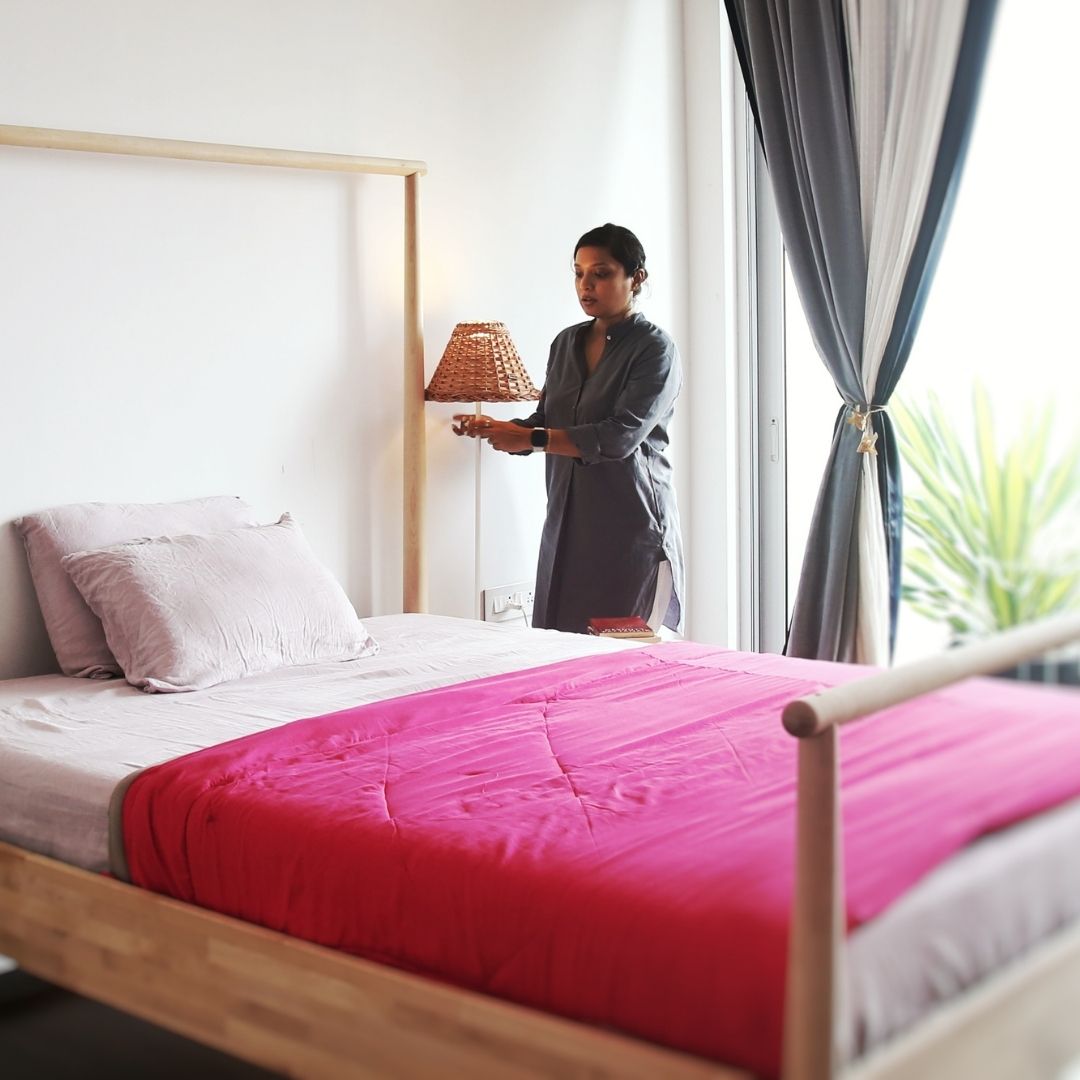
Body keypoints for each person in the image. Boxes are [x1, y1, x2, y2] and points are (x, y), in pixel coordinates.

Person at [453, 223, 684, 636]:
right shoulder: (565, 343)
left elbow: (619, 437)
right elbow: (547, 421)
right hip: (565, 526)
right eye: (578, 273)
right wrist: (500, 429)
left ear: (637, 278)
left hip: (628, 528)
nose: (586, 285)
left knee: (620, 656)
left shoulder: (655, 349)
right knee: (554, 648)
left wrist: (531, 439)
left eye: (601, 273)